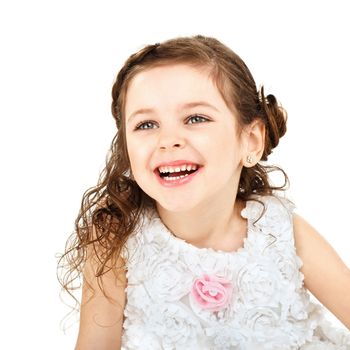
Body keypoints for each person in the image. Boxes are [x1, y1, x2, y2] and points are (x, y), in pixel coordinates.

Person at [58, 35, 350, 349]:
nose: (168, 140)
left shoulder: (279, 230)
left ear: (251, 141)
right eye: (145, 124)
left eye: (196, 118)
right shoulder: (116, 239)